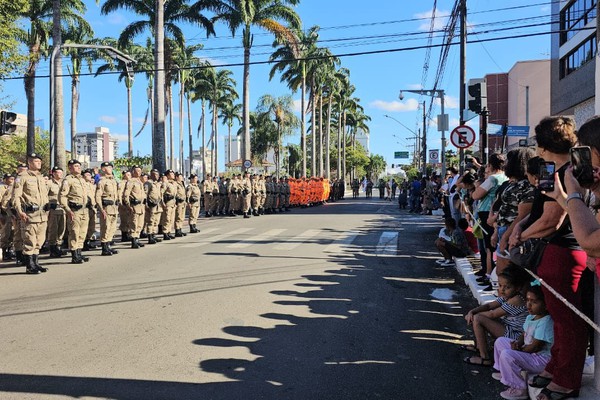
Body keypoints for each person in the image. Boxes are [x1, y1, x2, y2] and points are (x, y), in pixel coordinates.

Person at [508, 116, 587, 400]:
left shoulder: (567, 172)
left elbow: (552, 221)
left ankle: (566, 380)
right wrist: (520, 226)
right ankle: (556, 367)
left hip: (564, 252)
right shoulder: (559, 169)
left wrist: (522, 235)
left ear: (543, 145)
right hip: (558, 252)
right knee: (560, 318)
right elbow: (539, 210)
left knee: (568, 322)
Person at [493, 282, 553, 400]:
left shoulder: (546, 321)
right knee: (500, 341)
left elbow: (536, 347)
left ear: (546, 305)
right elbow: (524, 333)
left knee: (507, 355)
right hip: (529, 352)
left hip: (541, 360)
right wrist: (518, 343)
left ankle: (519, 388)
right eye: (527, 300)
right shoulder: (531, 316)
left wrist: (520, 350)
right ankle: (504, 371)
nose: (529, 305)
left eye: (534, 302)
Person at [463, 265, 529, 366]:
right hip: (509, 329)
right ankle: (479, 347)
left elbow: (492, 314)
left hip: (516, 336)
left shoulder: (517, 299)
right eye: (500, 285)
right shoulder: (507, 296)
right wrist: (472, 311)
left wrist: (473, 315)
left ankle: (485, 358)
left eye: (507, 287)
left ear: (517, 288)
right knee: (477, 317)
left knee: (478, 319)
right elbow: (489, 305)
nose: (502, 290)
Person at [470, 153, 507, 286]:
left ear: (490, 165)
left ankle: (488, 274)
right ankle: (489, 273)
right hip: (501, 213)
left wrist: (476, 186)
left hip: (487, 212)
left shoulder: (492, 179)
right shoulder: (506, 178)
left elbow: (476, 195)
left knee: (488, 246)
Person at [12, 153, 50, 274]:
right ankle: (29, 265)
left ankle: (36, 263)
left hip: (42, 214)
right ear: (29, 162)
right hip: (30, 214)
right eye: (36, 161)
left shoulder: (40, 177)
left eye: (40, 161)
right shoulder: (22, 177)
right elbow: (16, 196)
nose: (39, 163)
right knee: (30, 240)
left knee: (39, 240)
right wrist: (20, 211)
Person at [59, 159, 90, 264]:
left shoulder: (82, 180)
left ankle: (79, 252)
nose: (79, 168)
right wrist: (67, 210)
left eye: (79, 166)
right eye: (76, 166)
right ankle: (74, 254)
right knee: (74, 232)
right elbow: (62, 196)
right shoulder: (68, 180)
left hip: (84, 209)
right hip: (74, 210)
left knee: (82, 232)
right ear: (70, 168)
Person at [95, 161, 119, 256]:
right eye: (109, 167)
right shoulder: (102, 181)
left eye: (111, 167)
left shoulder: (113, 181)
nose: (111, 169)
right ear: (104, 169)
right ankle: (104, 248)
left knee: (112, 228)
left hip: (114, 207)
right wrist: (101, 209)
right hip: (106, 208)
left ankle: (108, 245)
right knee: (105, 227)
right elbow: (98, 196)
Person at [46, 166, 67, 258]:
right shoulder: (49, 183)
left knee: (62, 229)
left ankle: (58, 246)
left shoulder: (64, 183)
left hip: (63, 209)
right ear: (53, 173)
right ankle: (52, 248)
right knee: (53, 230)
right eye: (58, 172)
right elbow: (44, 196)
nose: (60, 174)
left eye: (61, 172)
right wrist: (49, 205)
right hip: (53, 210)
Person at [124, 165, 146, 248]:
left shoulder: (139, 182)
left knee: (140, 224)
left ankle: (137, 239)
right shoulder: (131, 182)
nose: (139, 172)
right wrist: (128, 205)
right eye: (137, 171)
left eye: (140, 171)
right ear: (133, 172)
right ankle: (133, 240)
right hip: (134, 206)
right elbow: (126, 194)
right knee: (134, 223)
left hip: (141, 206)